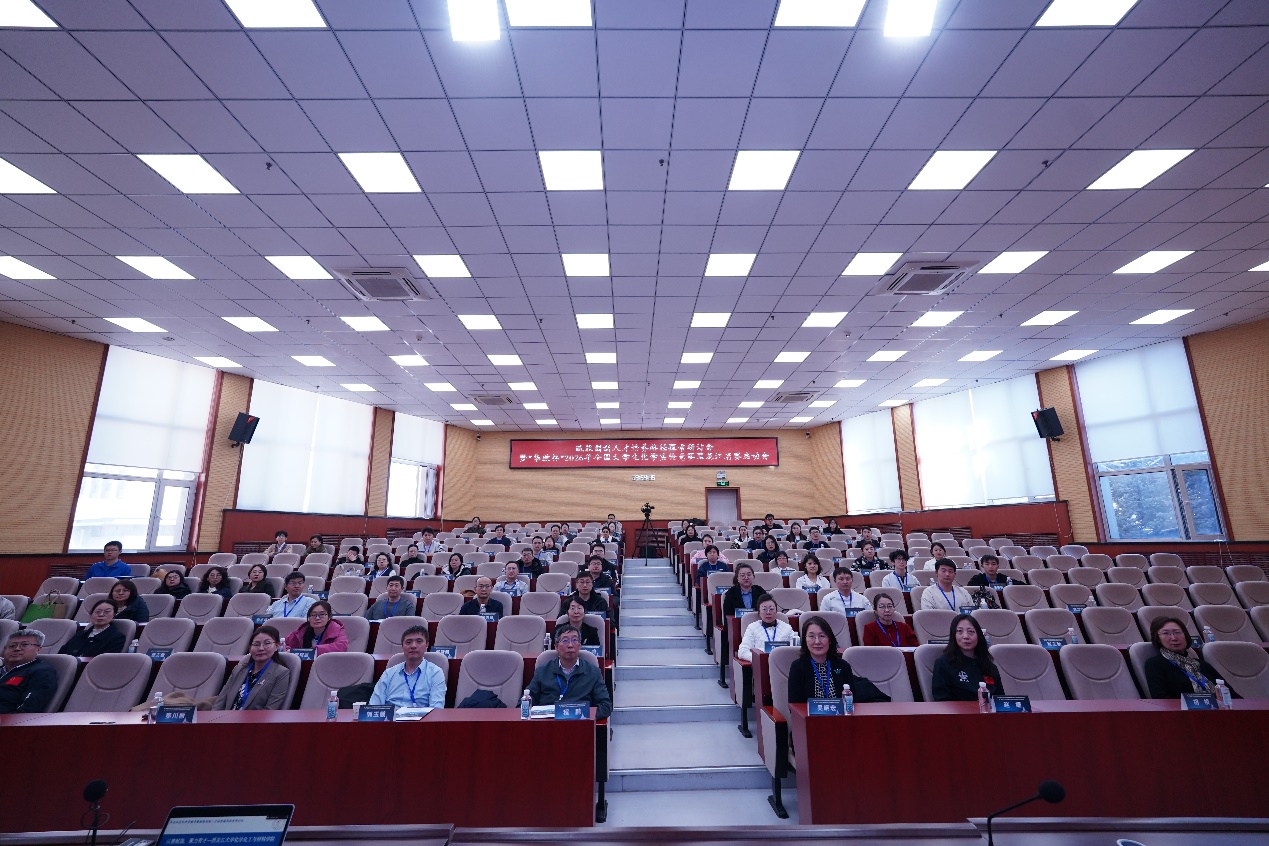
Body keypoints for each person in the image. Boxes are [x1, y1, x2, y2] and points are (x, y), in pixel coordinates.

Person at [788, 615, 890, 704]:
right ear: (805, 640)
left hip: (841, 718)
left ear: (830, 640)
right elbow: (794, 706)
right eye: (811, 636)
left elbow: (853, 702)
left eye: (822, 636)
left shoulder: (842, 666)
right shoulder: (798, 667)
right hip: (809, 719)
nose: (817, 641)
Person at [528, 624, 612, 719]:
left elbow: (606, 706)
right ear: (556, 646)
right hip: (547, 724)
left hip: (580, 724)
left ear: (579, 646)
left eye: (575, 640)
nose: (570, 645)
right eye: (565, 641)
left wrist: (583, 714)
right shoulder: (542, 671)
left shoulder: (593, 672)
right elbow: (526, 701)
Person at [1144, 616, 1238, 699]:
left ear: (1185, 635)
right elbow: (1161, 699)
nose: (1174, 638)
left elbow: (1232, 694)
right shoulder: (1155, 664)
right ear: (1158, 639)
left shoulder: (1201, 664)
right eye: (1165, 633)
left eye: (1177, 632)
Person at [213, 626, 291, 710]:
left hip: (257, 718)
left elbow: (271, 709)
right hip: (227, 717)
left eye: (267, 643)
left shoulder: (281, 673)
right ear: (250, 648)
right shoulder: (238, 670)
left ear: (277, 646)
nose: (261, 648)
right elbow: (220, 702)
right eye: (256, 644)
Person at [370, 625, 447, 708]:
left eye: (419, 641)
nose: (413, 646)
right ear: (402, 647)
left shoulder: (435, 673)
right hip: (391, 716)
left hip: (421, 716)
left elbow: (436, 709)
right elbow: (374, 707)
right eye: (408, 642)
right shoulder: (389, 673)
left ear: (427, 645)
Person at [932, 614, 1005, 701]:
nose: (966, 636)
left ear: (979, 636)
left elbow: (1001, 701)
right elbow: (941, 700)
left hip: (988, 710)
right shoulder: (943, 663)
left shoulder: (990, 667)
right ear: (953, 635)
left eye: (971, 631)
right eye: (959, 631)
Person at [0, 628, 57, 713]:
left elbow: (26, 711)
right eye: (12, 646)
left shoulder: (41, 672)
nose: (17, 649)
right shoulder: (2, 669)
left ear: (38, 649)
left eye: (25, 644)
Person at [60, 599, 126, 657]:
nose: (101, 615)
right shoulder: (80, 635)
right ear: (91, 614)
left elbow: (106, 661)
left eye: (107, 612)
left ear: (114, 615)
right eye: (97, 611)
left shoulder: (117, 638)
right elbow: (61, 655)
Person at [737, 596, 795, 660]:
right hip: (760, 664)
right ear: (759, 612)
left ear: (776, 611)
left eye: (771, 609)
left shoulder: (787, 628)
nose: (768, 612)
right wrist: (759, 659)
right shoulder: (752, 628)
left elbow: (795, 650)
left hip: (782, 663)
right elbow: (742, 652)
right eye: (764, 609)